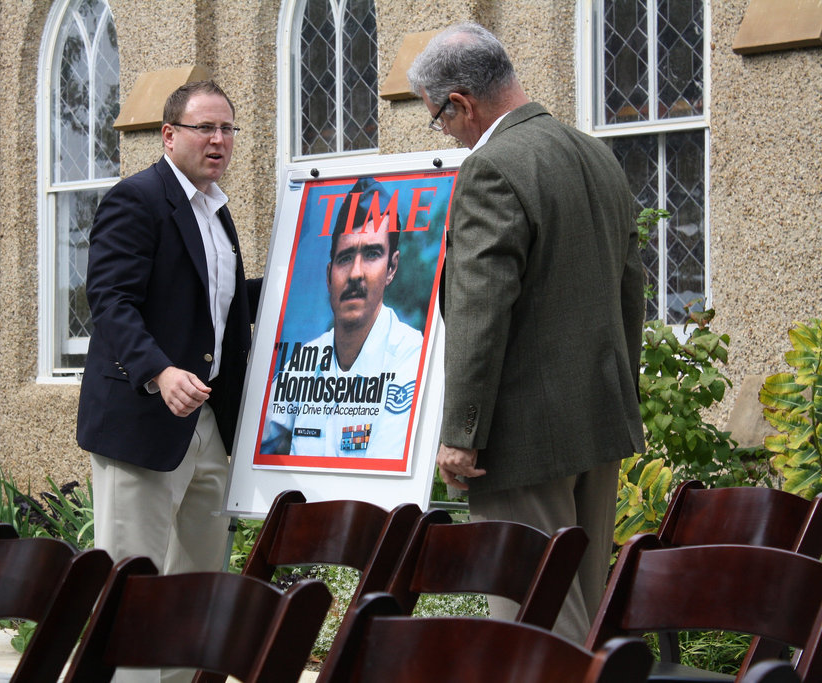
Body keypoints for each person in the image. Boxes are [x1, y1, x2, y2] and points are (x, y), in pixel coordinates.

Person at [408, 23, 645, 643]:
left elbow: (481, 308)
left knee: (534, 618)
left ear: (460, 102)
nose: (447, 134)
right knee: (584, 611)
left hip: (524, 437)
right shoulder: (595, 153)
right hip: (598, 418)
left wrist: (462, 433)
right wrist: (623, 398)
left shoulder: (492, 167)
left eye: (439, 119)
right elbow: (630, 290)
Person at [76, 80, 260, 681]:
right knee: (134, 586)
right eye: (206, 127)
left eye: (228, 128)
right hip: (146, 420)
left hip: (211, 424)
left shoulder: (219, 212)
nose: (218, 139)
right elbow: (110, 301)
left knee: (198, 588)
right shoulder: (137, 199)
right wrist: (158, 370)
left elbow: (220, 308)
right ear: (169, 134)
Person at [261, 177, 423, 459]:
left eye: (372, 254)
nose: (355, 273)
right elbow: (259, 441)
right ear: (328, 275)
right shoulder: (305, 361)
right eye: (345, 258)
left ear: (392, 268)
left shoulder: (413, 358)